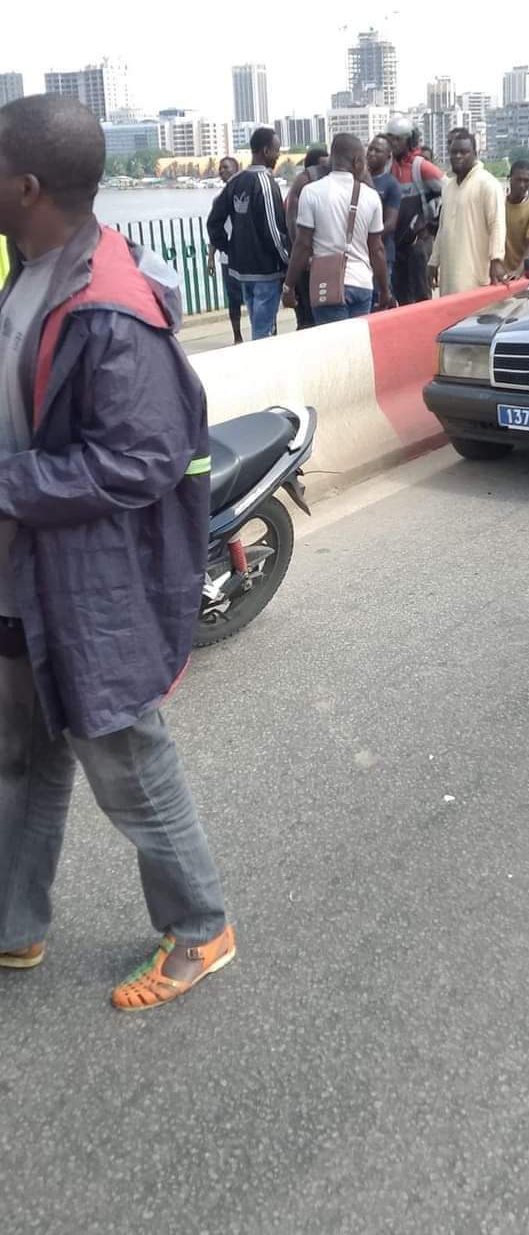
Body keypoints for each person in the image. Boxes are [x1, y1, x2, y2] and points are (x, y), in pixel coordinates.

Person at [0, 95, 234, 1010]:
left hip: (89, 586)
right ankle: (15, 925)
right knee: (19, 753)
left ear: (24, 186)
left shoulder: (110, 306)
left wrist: (8, 487)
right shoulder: (36, 269)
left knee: (128, 763)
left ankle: (201, 927)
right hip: (26, 576)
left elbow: (141, 458)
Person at [282, 133, 392, 324]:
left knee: (333, 348)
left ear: (332, 158)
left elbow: (302, 245)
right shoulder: (371, 196)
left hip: (326, 284)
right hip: (361, 285)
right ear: (358, 162)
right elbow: (377, 249)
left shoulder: (311, 191)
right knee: (358, 347)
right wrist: (384, 290)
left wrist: (289, 286)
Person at [206, 126, 288, 340]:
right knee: (263, 333)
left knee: (257, 326)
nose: (279, 155)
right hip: (265, 271)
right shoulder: (265, 183)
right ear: (265, 150)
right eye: (276, 150)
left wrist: (231, 248)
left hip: (242, 271)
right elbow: (273, 229)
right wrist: (288, 260)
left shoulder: (235, 182)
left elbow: (213, 222)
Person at [428, 128, 507, 295]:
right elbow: (442, 227)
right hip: (449, 276)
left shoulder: (487, 184)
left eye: (464, 152)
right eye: (454, 152)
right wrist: (434, 261)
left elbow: (497, 224)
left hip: (475, 276)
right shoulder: (448, 187)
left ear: (475, 154)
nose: (458, 156)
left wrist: (496, 259)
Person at [386, 116, 445, 306]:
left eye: (398, 139)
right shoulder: (389, 168)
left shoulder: (422, 167)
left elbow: (450, 192)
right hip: (398, 243)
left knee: (421, 294)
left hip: (418, 243)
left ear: (409, 140)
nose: (393, 143)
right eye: (391, 138)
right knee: (401, 296)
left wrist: (431, 226)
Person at [284, 146, 330, 329]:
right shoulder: (303, 189)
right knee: (308, 317)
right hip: (306, 262)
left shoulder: (309, 191)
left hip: (308, 260)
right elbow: (295, 231)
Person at [207, 155, 244, 343]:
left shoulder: (245, 194)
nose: (222, 171)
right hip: (227, 258)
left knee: (253, 297)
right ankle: (237, 336)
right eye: (220, 168)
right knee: (233, 299)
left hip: (247, 256)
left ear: (236, 169)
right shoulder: (218, 200)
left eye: (226, 167)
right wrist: (211, 257)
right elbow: (215, 229)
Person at [367, 134, 401, 297]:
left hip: (382, 253)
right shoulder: (358, 181)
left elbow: (390, 223)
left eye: (377, 151)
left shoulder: (391, 184)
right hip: (360, 255)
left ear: (388, 156)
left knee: (380, 298)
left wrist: (368, 238)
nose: (372, 153)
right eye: (370, 149)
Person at [504, 159, 529, 277]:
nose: (522, 185)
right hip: (496, 273)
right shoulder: (498, 204)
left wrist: (518, 272)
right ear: (509, 179)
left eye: (526, 181)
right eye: (518, 180)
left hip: (519, 275)